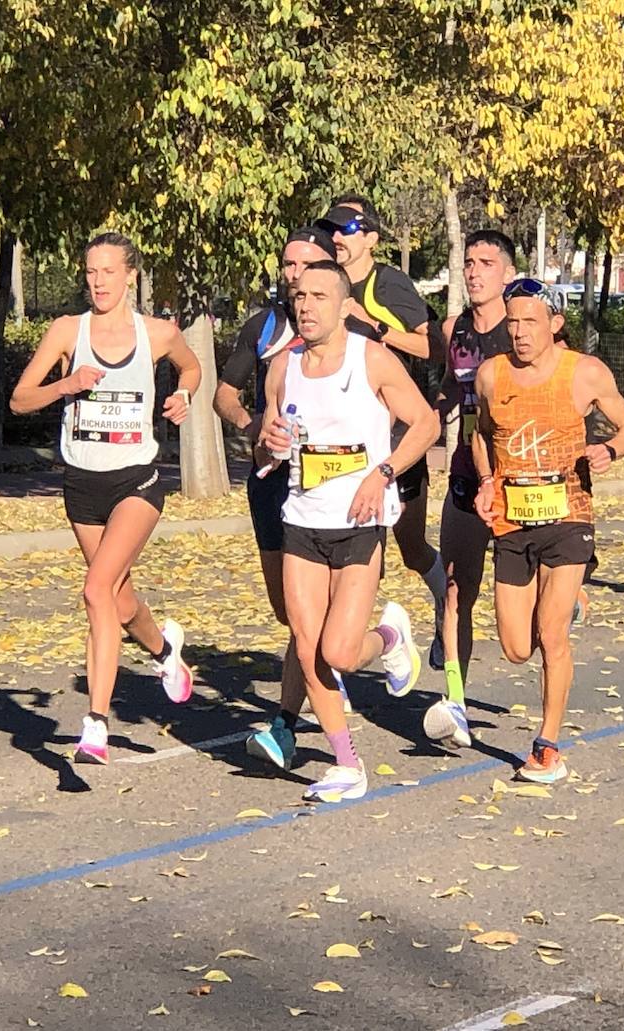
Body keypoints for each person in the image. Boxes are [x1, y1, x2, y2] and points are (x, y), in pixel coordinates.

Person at [10, 232, 201, 764]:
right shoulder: (67, 331)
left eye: (108, 272)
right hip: (82, 483)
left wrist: (183, 395)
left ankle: (95, 723)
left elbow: (191, 367)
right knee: (116, 599)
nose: (98, 282)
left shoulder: (158, 333)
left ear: (130, 276)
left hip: (136, 480)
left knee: (95, 590)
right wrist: (64, 387)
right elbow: (21, 399)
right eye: (91, 272)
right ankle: (165, 652)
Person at [259, 260, 439, 802]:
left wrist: (383, 472)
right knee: (309, 649)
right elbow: (269, 447)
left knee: (339, 652)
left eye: (318, 296)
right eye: (299, 296)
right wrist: (269, 443)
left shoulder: (372, 360)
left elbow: (426, 423)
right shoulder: (282, 367)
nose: (306, 305)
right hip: (302, 521)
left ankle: (389, 637)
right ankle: (346, 764)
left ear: (342, 305)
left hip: (359, 522)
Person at [472, 278, 624, 783]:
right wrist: (485, 480)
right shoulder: (490, 375)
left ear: (554, 325)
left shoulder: (584, 373)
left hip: (569, 514)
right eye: (512, 322)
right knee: (515, 647)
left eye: (530, 322)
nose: (519, 333)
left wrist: (608, 450)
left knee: (551, 636)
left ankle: (548, 746)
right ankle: (566, 601)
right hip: (511, 518)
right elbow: (481, 434)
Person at [212, 226, 350, 769]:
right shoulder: (265, 326)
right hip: (271, 481)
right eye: (288, 266)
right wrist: (252, 428)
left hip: (331, 491)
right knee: (287, 612)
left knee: (308, 621)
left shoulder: (350, 329)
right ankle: (337, 666)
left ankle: (285, 724)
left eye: (306, 266)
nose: (294, 276)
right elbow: (224, 395)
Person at [316, 196, 449, 659]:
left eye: (347, 229)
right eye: (330, 228)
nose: (336, 237)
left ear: (372, 238)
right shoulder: (319, 283)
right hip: (337, 441)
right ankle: (348, 655)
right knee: (347, 554)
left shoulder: (387, 285)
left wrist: (375, 328)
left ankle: (444, 604)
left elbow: (434, 349)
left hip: (396, 440)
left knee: (410, 549)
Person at [422, 230, 516, 748]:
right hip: (465, 471)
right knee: (458, 588)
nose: (475, 271)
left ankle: (566, 586)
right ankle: (454, 700)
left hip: (521, 479)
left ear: (505, 271)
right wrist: (422, 423)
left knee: (521, 620)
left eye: (486, 262)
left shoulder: (526, 326)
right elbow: (447, 389)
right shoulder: (454, 328)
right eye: (469, 262)